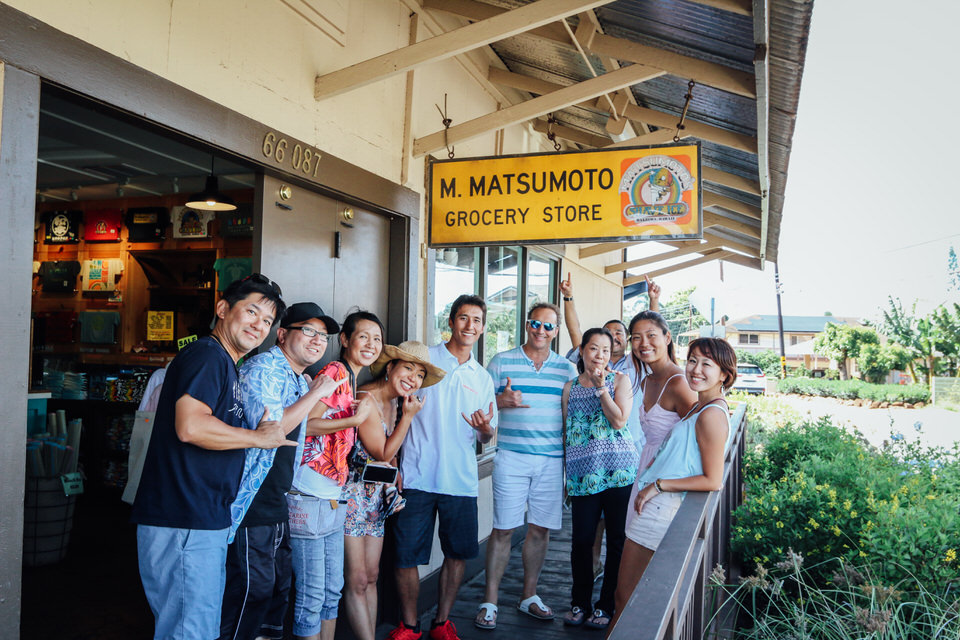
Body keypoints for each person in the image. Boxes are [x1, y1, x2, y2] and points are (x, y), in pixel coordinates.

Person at [131, 274, 289, 640]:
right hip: (184, 520)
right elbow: (191, 427)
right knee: (190, 632)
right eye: (251, 311)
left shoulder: (225, 363)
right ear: (222, 309)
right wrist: (257, 437)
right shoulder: (207, 355)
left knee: (193, 627)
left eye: (267, 321)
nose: (259, 325)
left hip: (199, 520)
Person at [219, 302, 347, 640]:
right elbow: (270, 433)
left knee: (275, 590)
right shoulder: (263, 368)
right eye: (308, 330)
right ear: (281, 334)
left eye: (323, 335)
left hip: (278, 498)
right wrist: (318, 392)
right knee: (250, 590)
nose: (318, 340)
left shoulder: (297, 378)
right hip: (251, 498)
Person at [388, 294, 498, 640]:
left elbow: (487, 434)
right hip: (417, 475)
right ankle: (409, 624)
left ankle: (442, 623)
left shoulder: (481, 377)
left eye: (477, 320)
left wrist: (485, 430)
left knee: (457, 553)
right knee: (406, 555)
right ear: (450, 321)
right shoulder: (426, 361)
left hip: (461, 480)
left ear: (483, 328)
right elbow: (394, 406)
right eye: (464, 318)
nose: (470, 326)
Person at [610, 338, 736, 634]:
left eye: (707, 364)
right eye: (692, 360)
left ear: (724, 375)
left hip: (660, 513)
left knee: (626, 599)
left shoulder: (712, 415)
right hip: (655, 509)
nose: (696, 369)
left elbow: (713, 479)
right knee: (628, 599)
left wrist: (659, 485)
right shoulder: (699, 407)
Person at [473, 302, 577, 630]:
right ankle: (490, 601)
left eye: (548, 326)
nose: (541, 331)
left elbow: (572, 417)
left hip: (551, 460)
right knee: (503, 529)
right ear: (526, 325)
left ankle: (528, 596)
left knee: (540, 529)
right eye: (535, 323)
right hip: (511, 456)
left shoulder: (566, 369)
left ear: (556, 331)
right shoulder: (501, 361)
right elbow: (480, 406)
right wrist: (501, 402)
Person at [288, 310, 385, 640]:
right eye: (363, 336)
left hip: (332, 494)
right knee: (313, 595)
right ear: (344, 340)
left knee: (332, 592)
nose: (371, 344)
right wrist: (353, 422)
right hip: (310, 491)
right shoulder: (335, 372)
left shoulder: (353, 379)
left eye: (377, 338)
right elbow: (306, 424)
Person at [343, 341, 446, 640]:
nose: (413, 378)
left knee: (373, 576)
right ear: (390, 368)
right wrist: (410, 417)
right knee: (358, 578)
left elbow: (393, 455)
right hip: (352, 496)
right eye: (408, 369)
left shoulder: (397, 401)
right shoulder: (368, 397)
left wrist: (397, 468)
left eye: (419, 375)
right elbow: (383, 450)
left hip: (377, 498)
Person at [561, 328, 638, 631]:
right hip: (583, 476)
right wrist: (568, 479)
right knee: (581, 541)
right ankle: (580, 603)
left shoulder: (620, 380)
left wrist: (600, 387)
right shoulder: (569, 388)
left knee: (616, 542)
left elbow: (619, 420)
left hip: (619, 472)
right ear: (582, 351)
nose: (600, 356)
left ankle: (606, 606)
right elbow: (569, 435)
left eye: (606, 350)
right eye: (594, 349)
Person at [622, 311, 698, 540]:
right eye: (636, 337)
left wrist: (665, 484)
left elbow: (696, 439)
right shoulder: (646, 380)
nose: (644, 343)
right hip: (647, 468)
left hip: (668, 477)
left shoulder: (679, 384)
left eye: (651, 335)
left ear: (667, 337)